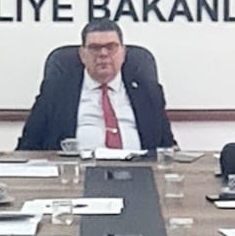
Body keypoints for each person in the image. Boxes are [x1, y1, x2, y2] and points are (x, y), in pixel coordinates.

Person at [17, 19, 176, 151]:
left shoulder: (148, 92)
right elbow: (28, 147)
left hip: (139, 172)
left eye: (111, 47)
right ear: (82, 54)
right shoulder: (55, 92)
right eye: (95, 48)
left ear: (123, 52)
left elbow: (167, 147)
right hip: (75, 174)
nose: (103, 54)